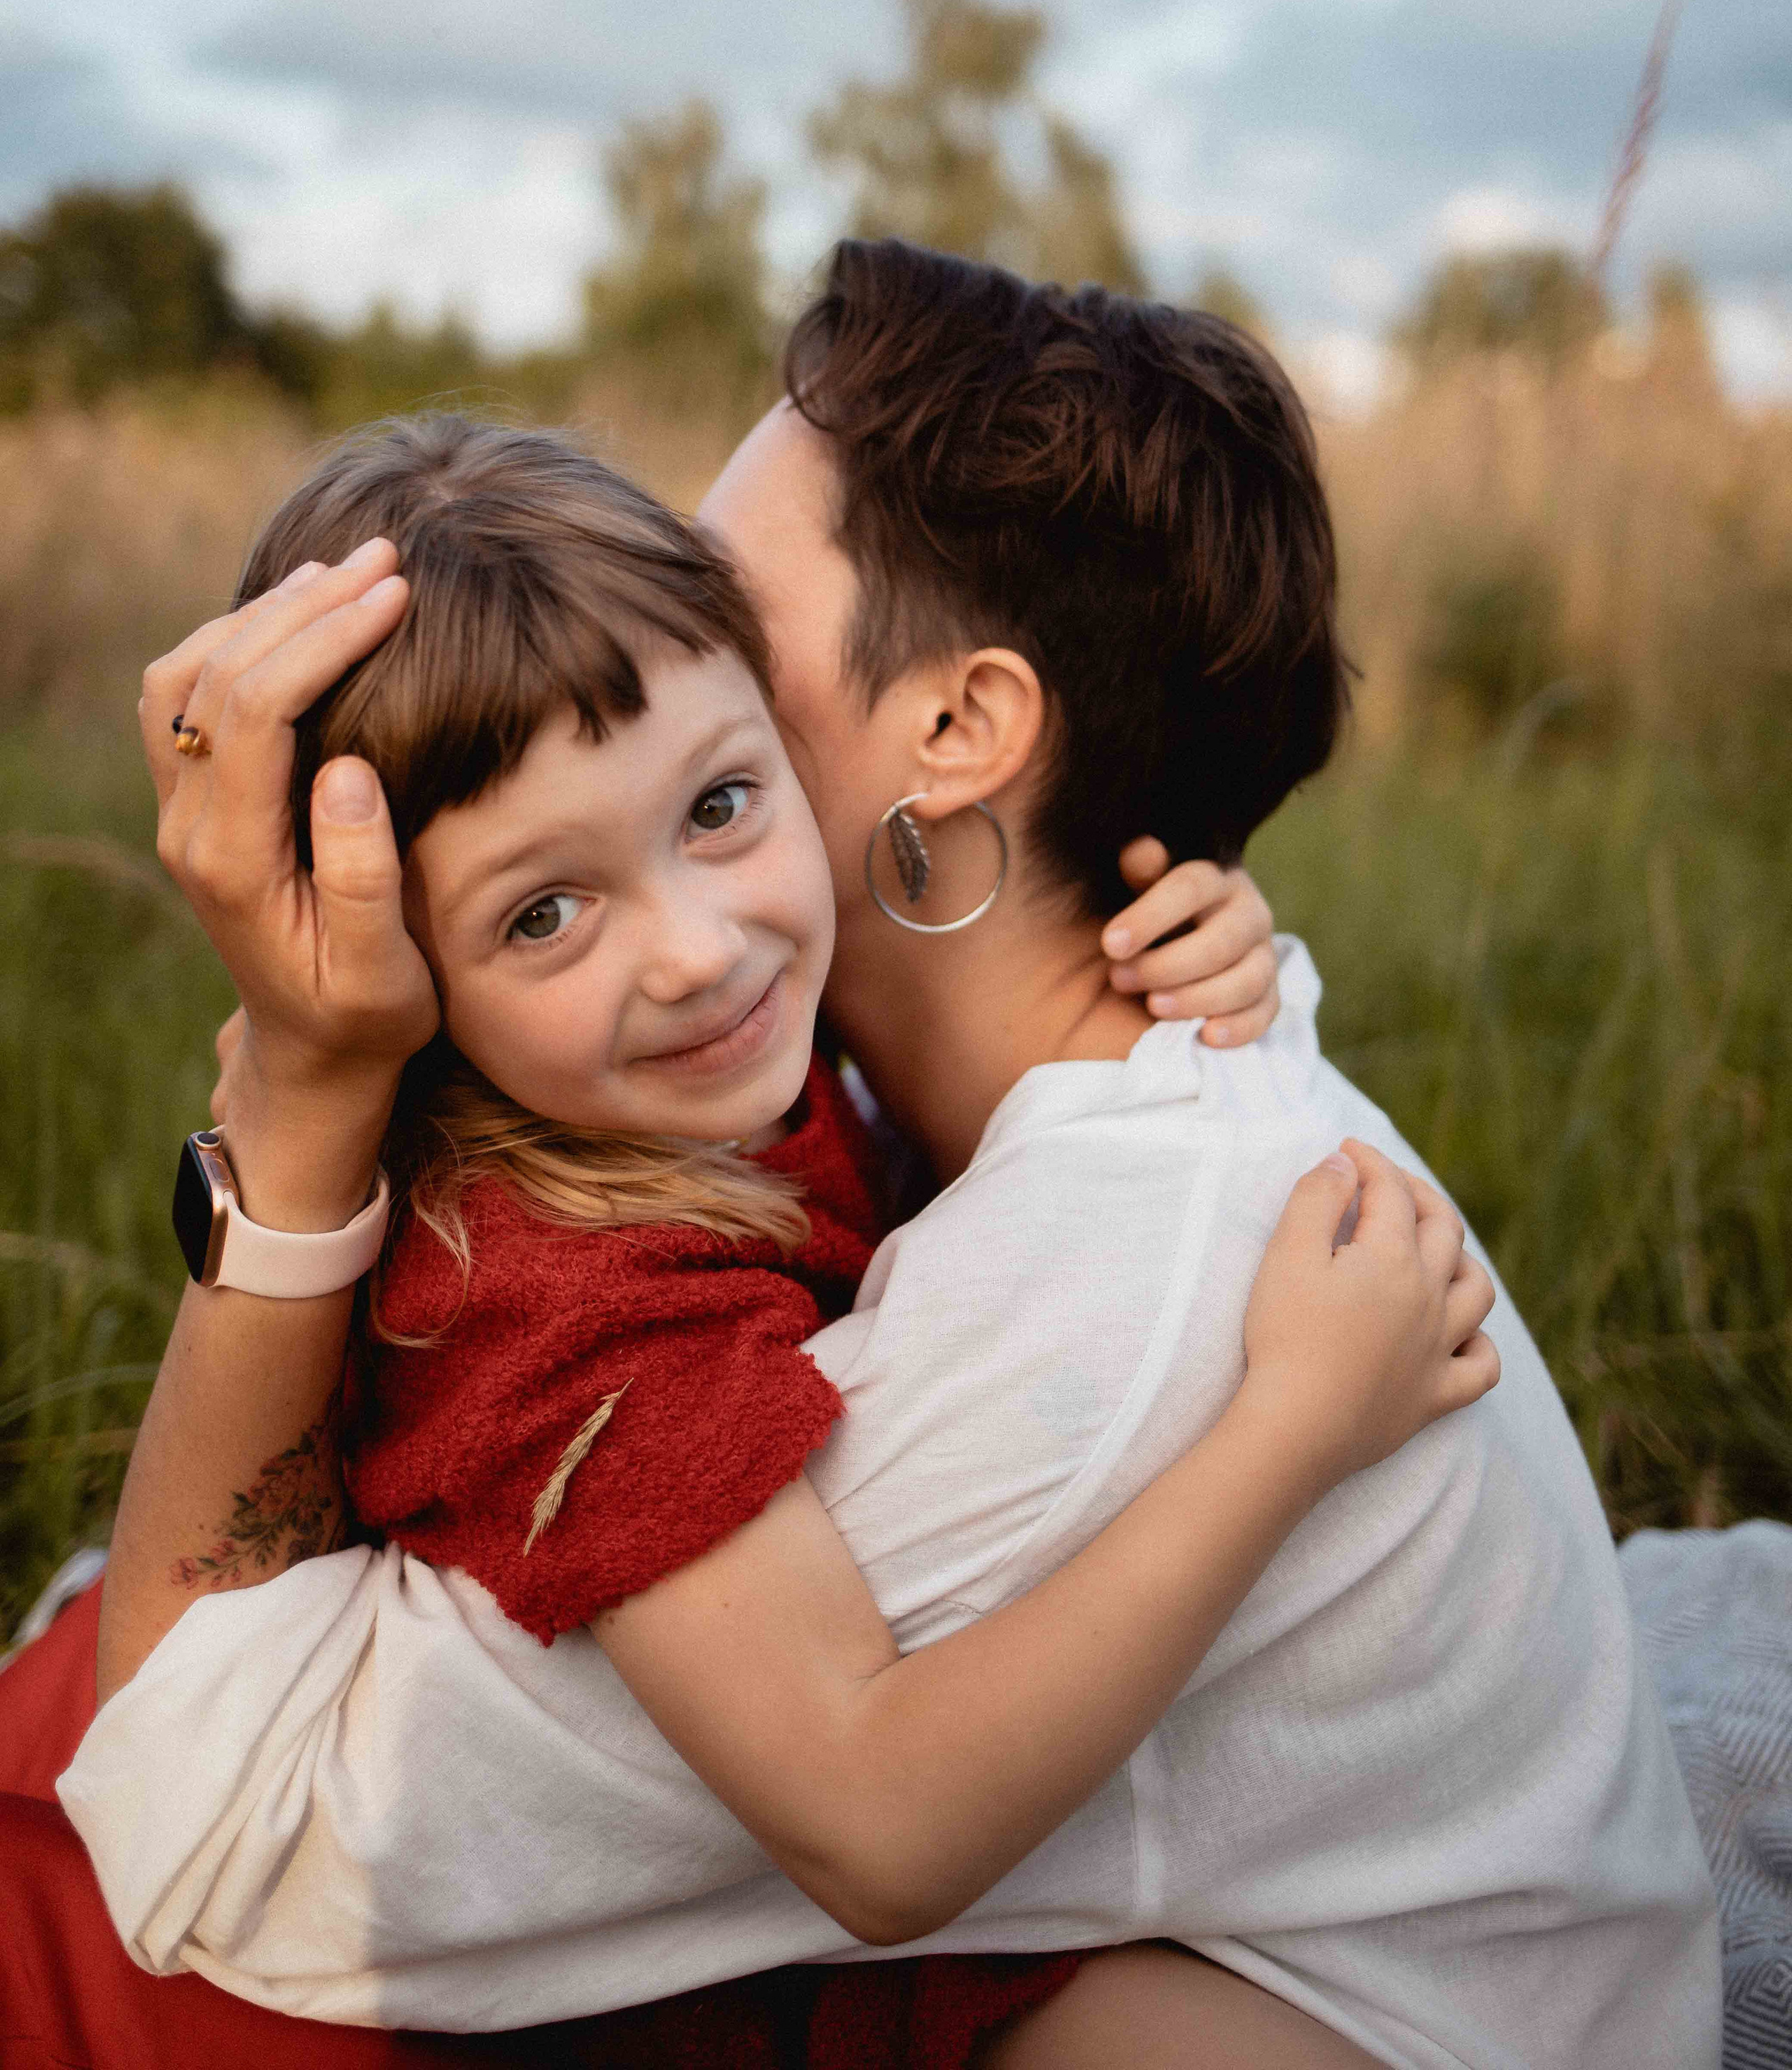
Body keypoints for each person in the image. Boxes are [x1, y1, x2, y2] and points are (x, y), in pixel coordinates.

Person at [52, 246, 1720, 2066]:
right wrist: (314, 1078)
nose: (663, 627)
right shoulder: (804, 1129)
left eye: (725, 615)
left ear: (959, 730)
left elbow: (219, 1796)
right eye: (542, 907)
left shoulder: (1064, 1304)